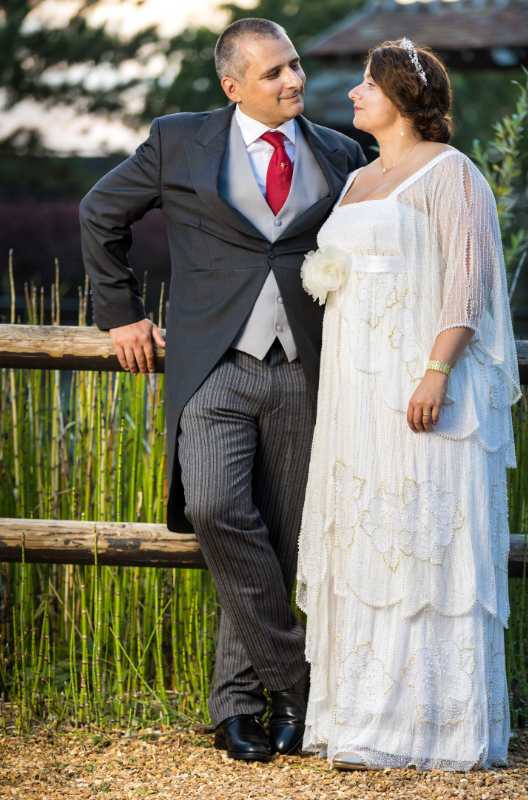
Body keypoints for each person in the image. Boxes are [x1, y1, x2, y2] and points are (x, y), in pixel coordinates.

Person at [79, 18, 366, 762]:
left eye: (295, 65)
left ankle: (237, 707)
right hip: (214, 366)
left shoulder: (341, 153)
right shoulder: (180, 139)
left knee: (280, 541)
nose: (292, 79)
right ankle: (299, 685)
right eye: (273, 73)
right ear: (234, 85)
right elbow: (99, 213)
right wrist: (122, 315)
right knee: (212, 507)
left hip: (308, 371)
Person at [297, 39, 521, 772]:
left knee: (422, 537)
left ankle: (435, 727)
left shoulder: (450, 174)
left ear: (401, 96)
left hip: (421, 386)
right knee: (364, 539)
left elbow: (469, 282)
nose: (355, 93)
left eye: (367, 83)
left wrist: (435, 370)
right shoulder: (360, 180)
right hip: (353, 395)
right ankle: (360, 719)